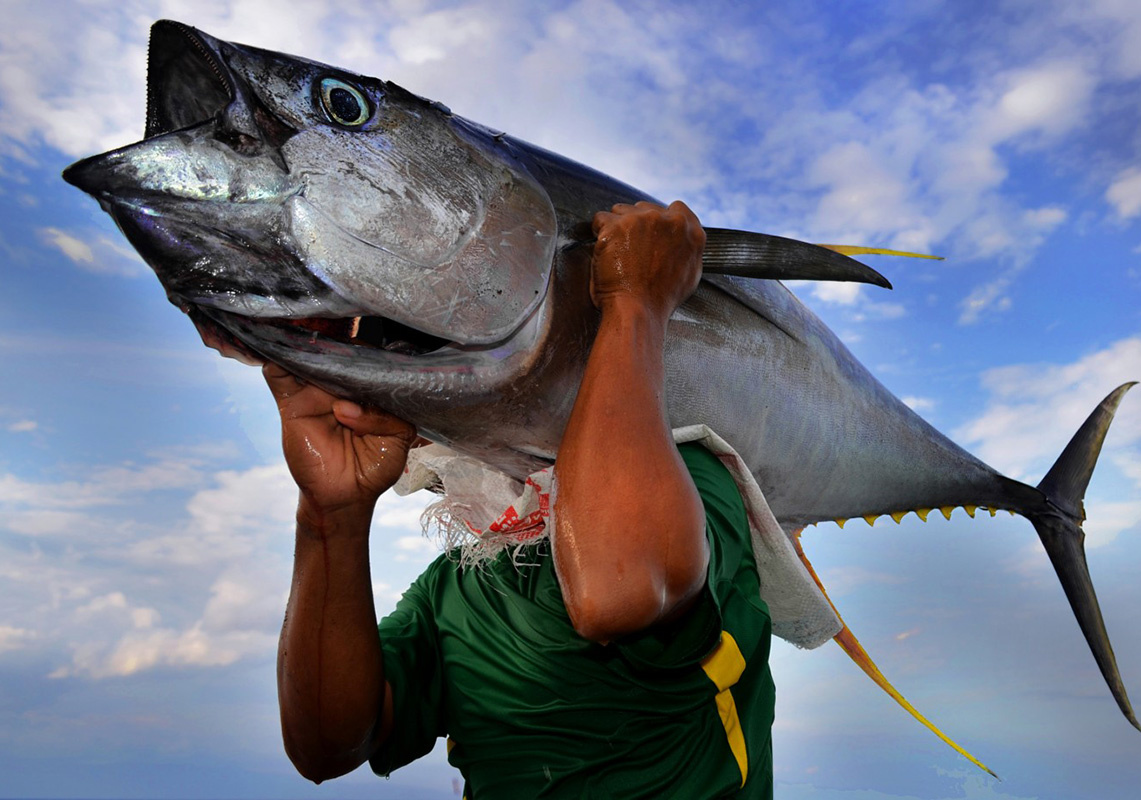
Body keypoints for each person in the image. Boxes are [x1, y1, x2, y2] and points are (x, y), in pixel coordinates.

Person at [265, 201, 776, 798]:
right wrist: (332, 514)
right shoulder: (453, 589)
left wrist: (635, 306)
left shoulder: (690, 477)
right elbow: (327, 747)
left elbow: (619, 589)